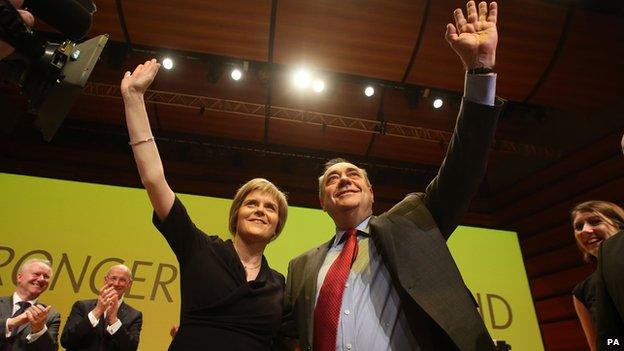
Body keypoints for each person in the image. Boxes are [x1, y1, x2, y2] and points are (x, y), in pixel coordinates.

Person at [281, 1, 502, 350]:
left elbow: (464, 165)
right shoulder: (300, 267)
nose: (343, 180)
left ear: (371, 192)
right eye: (332, 180)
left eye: (353, 174)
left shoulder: (413, 221)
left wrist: (479, 71)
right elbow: (283, 336)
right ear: (323, 202)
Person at [120, 59, 289, 350]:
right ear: (236, 216)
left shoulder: (280, 285)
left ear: (276, 229)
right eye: (252, 204)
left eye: (270, 208)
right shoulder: (199, 248)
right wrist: (134, 98)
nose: (260, 209)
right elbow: (154, 180)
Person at [570, 201, 624, 351]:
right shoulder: (582, 291)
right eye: (578, 227)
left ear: (619, 224)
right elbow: (606, 343)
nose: (585, 230)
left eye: (595, 221)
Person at [60, 265, 142, 351]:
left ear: (129, 284)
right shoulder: (82, 306)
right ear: (106, 280)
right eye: (113, 278)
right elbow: (66, 341)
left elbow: (131, 348)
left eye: (122, 280)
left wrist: (114, 321)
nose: (116, 283)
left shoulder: (134, 315)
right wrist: (97, 311)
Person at [0, 258, 60, 351]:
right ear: (19, 277)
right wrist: (12, 322)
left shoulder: (51, 316)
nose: (41, 279)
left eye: (46, 276)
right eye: (36, 274)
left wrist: (39, 330)